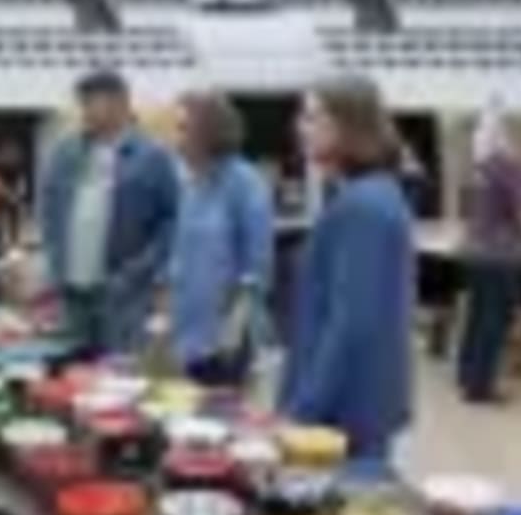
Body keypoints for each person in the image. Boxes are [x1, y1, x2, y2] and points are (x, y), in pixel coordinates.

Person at [281, 75, 414, 462]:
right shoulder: (372, 195)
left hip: (343, 414)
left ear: (349, 125)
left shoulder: (362, 206)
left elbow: (352, 325)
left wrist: (303, 410)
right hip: (356, 404)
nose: (300, 127)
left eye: (312, 117)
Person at [38, 69, 179, 355]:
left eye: (92, 101)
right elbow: (49, 210)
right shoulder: (65, 152)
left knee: (118, 376)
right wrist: (54, 264)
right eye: (82, 101)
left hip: (122, 294)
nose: (84, 109)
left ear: (120, 103)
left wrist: (139, 270)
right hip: (71, 291)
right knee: (72, 372)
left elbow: (173, 222)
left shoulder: (153, 157)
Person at [161, 91, 273, 386]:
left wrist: (232, 333)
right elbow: (180, 256)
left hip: (226, 340)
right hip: (186, 332)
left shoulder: (245, 183)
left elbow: (257, 268)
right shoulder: (189, 184)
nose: (176, 136)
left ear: (209, 130)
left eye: (184, 127)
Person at [457, 103, 521, 404]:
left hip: (476, 251)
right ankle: (480, 388)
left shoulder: (483, 167)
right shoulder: (509, 167)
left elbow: (474, 211)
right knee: (495, 319)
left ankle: (467, 376)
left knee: (477, 316)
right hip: (501, 256)